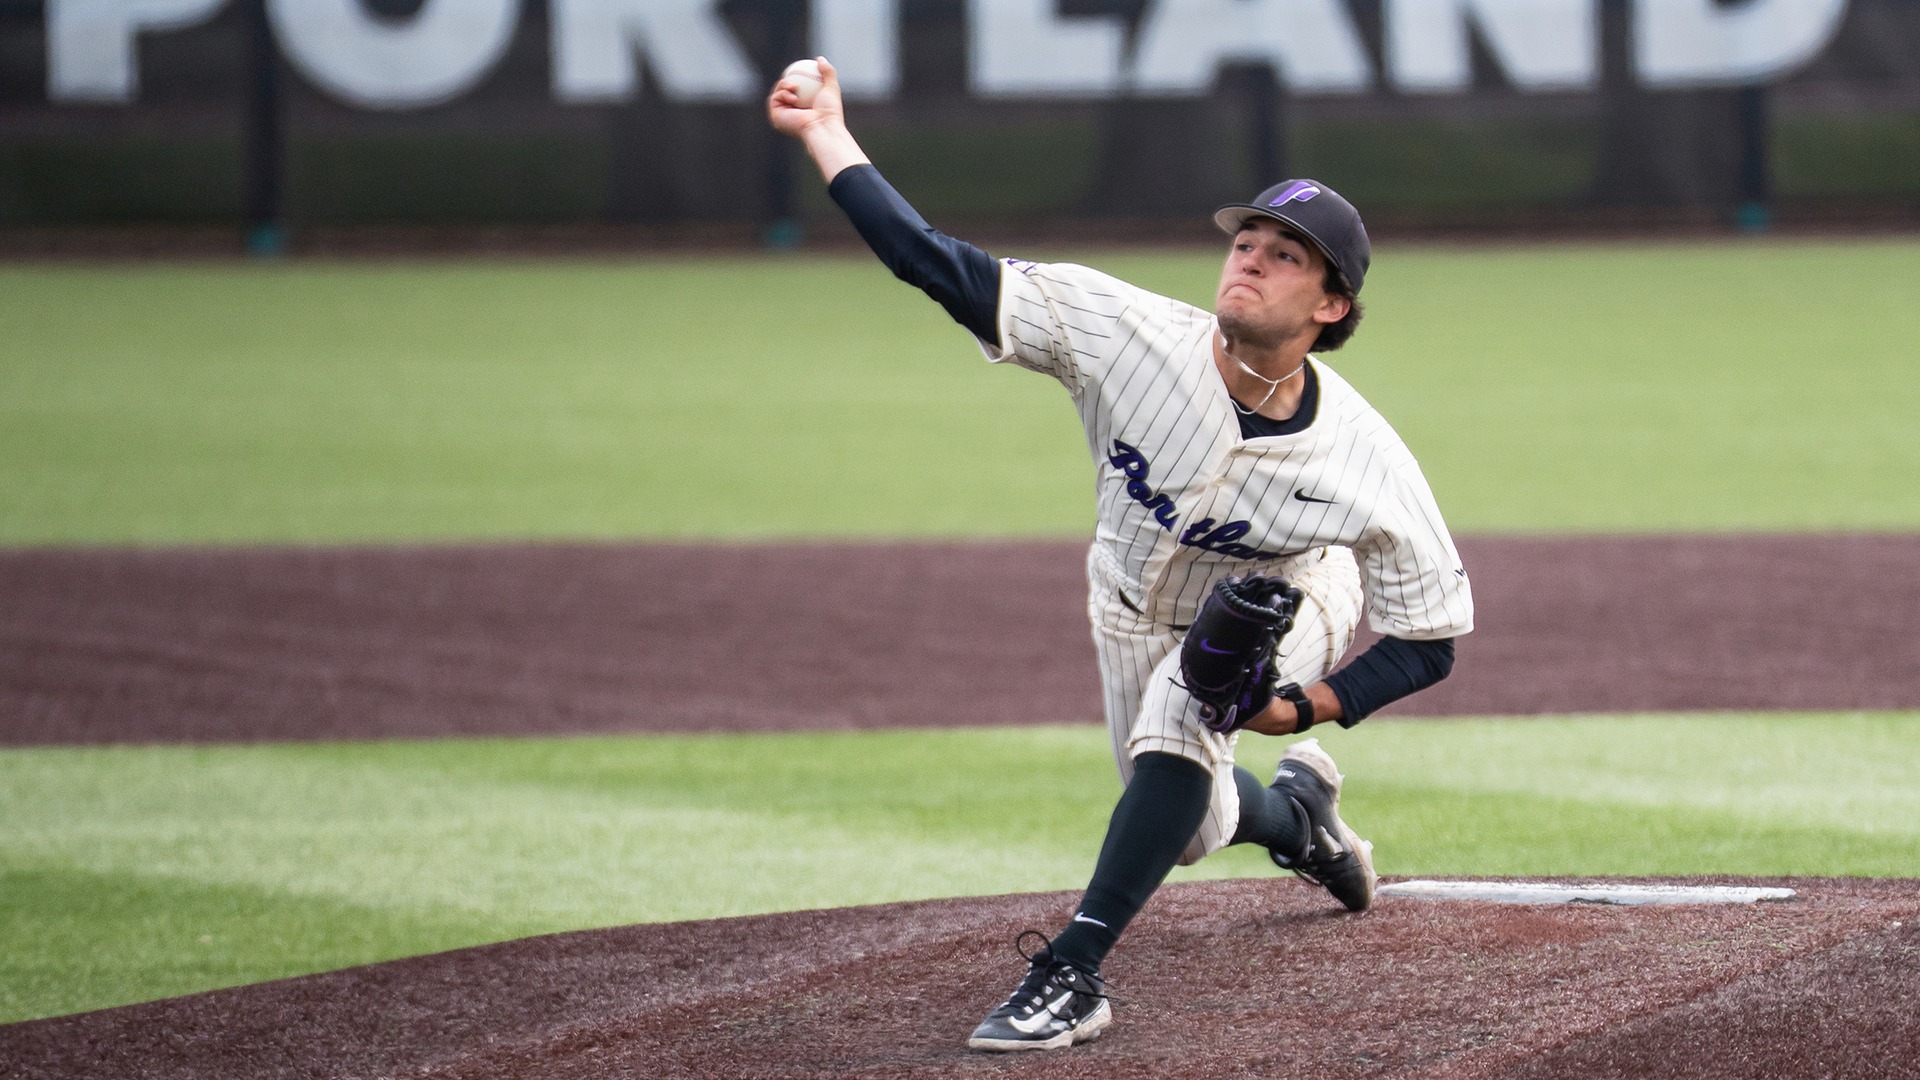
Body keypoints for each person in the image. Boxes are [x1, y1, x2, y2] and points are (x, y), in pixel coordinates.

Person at [769, 59, 1474, 1053]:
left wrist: (1305, 706)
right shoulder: (1127, 333)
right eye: (1251, 241)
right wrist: (826, 136)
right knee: (1189, 824)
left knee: (1192, 708)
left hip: (1293, 596)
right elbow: (933, 262)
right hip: (1131, 606)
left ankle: (1073, 970)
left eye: (1287, 257)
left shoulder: (1365, 458)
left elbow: (1432, 634)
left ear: (1332, 307)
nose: (1252, 260)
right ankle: (1302, 819)